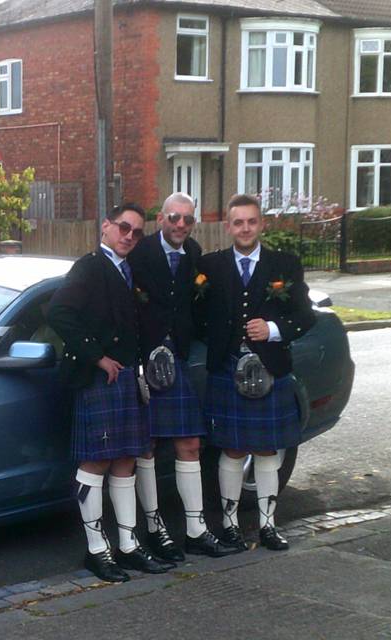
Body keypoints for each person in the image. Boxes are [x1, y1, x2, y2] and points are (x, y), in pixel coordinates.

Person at [48, 204, 174, 583]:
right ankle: (97, 551)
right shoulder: (89, 267)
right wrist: (97, 357)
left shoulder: (127, 269)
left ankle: (129, 546)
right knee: (96, 463)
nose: (129, 237)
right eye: (123, 228)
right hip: (98, 379)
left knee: (125, 461)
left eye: (136, 232)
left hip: (126, 378)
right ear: (106, 226)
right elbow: (58, 313)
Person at [196, 194, 316, 551]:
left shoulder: (285, 265)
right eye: (238, 222)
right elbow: (198, 315)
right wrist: (219, 337)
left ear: (261, 224)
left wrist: (274, 329)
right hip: (227, 367)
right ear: (228, 227)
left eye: (251, 221)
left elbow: (305, 316)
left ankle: (267, 525)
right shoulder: (210, 266)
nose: (245, 228)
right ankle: (230, 526)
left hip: (270, 367)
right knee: (232, 450)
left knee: (267, 450)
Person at [128, 193, 239, 561]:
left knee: (189, 444)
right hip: (143, 360)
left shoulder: (193, 252)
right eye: (174, 217)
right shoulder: (138, 252)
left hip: (176, 359)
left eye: (187, 220)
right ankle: (156, 530)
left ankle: (195, 530)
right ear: (160, 217)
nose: (180, 225)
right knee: (145, 448)